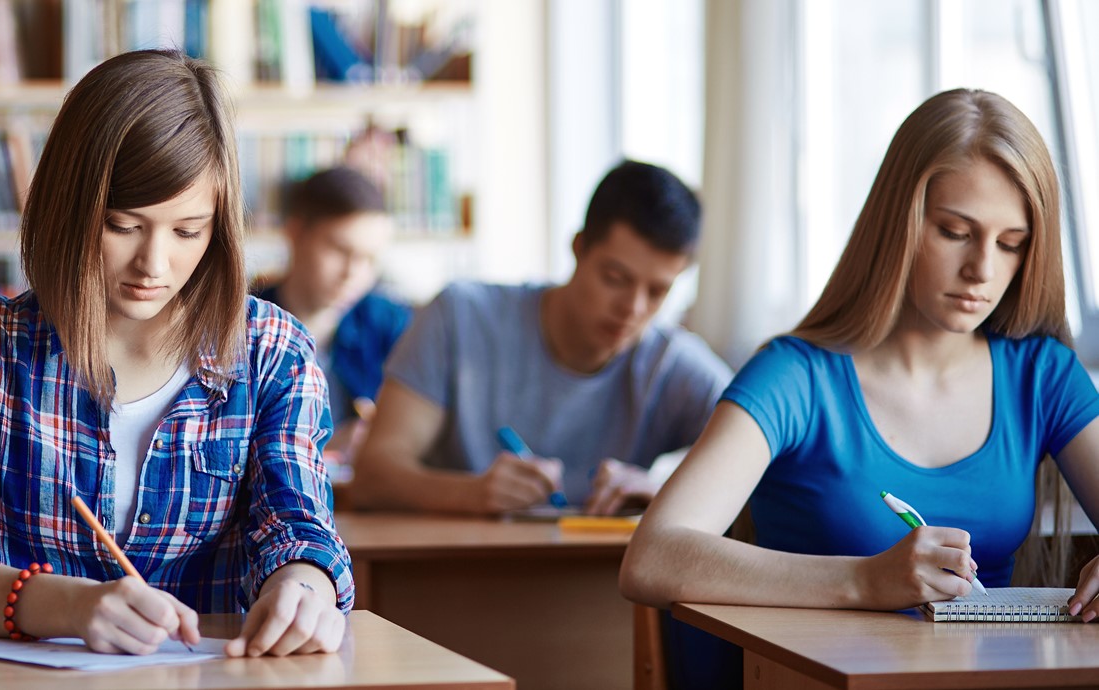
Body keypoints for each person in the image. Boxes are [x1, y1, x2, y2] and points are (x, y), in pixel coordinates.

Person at [0, 49, 354, 658]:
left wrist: (304, 587)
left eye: (187, 231)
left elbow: (297, 527)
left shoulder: (271, 351)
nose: (154, 265)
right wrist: (71, 605)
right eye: (123, 225)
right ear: (69, 212)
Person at [620, 89, 1099, 688]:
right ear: (898, 223)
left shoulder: (1043, 375)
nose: (983, 269)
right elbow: (653, 557)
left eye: (1011, 243)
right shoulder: (797, 376)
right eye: (955, 231)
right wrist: (866, 581)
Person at [353, 160, 732, 515]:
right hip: (458, 573)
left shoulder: (673, 362)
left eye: (657, 292)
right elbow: (373, 475)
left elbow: (772, 462)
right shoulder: (460, 316)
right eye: (616, 279)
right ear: (579, 248)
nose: (633, 308)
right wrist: (471, 493)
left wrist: (662, 488)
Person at [253, 166, 412, 465]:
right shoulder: (241, 322)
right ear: (295, 233)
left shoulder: (391, 324)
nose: (353, 273)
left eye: (369, 259)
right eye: (340, 250)